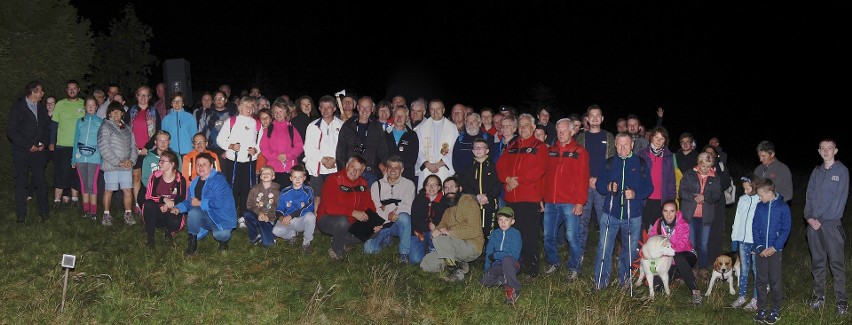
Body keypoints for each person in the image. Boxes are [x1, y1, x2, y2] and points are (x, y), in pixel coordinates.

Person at [592, 133, 652, 290]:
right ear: (615, 145)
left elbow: (649, 187)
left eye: (626, 144)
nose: (622, 147)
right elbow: (599, 185)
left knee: (629, 251)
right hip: (610, 213)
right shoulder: (610, 163)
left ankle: (624, 280)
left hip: (633, 215)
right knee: (604, 248)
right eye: (619, 144)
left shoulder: (640, 163)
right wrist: (607, 187)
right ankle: (600, 281)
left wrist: (635, 194)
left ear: (632, 145)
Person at [497, 114, 548, 277]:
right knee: (514, 234)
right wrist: (507, 179)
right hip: (511, 198)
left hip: (529, 198)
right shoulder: (511, 146)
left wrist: (518, 180)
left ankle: (532, 268)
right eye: (521, 126)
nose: (523, 128)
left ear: (533, 128)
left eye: (526, 125)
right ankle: (516, 264)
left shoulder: (539, 146)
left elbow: (539, 169)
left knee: (529, 235)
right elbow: (500, 165)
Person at [804, 139, 849, 315]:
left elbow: (839, 200)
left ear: (835, 150)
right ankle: (818, 297)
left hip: (831, 226)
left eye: (829, 148)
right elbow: (809, 195)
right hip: (813, 226)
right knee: (818, 263)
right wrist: (808, 217)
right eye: (823, 148)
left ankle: (841, 301)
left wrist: (821, 220)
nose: (826, 151)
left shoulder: (842, 171)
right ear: (819, 151)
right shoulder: (816, 171)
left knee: (836, 264)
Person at [541, 118, 589, 280]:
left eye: (564, 130)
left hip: (570, 202)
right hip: (551, 202)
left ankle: (575, 266)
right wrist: (542, 197)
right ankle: (553, 262)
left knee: (572, 237)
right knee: (548, 235)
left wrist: (580, 202)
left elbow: (583, 179)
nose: (561, 133)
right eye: (558, 131)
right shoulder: (550, 151)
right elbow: (545, 176)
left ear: (572, 132)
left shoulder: (580, 152)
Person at [419, 178, 485, 282]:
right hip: (455, 245)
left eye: (452, 187)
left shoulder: (469, 203)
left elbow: (474, 230)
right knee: (426, 264)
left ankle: (456, 272)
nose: (449, 190)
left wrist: (449, 233)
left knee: (439, 240)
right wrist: (435, 231)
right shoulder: (448, 210)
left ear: (460, 188)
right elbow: (442, 225)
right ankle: (458, 263)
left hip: (472, 246)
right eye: (446, 188)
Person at [575, 105, 615, 272]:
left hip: (601, 186)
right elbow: (576, 163)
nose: (595, 118)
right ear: (587, 119)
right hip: (584, 186)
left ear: (602, 118)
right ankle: (579, 254)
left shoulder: (609, 136)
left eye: (598, 115)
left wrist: (599, 180)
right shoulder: (580, 138)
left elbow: (612, 161)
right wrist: (586, 179)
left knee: (603, 221)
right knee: (582, 222)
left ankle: (605, 255)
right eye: (592, 116)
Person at [172, 152, 237, 256]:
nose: (200, 167)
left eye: (204, 164)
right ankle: (192, 243)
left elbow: (219, 203)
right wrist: (178, 208)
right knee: (193, 212)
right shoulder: (194, 182)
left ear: (211, 166)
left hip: (220, 216)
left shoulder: (219, 180)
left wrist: (200, 203)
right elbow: (191, 201)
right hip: (205, 215)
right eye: (198, 164)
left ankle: (223, 242)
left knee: (221, 235)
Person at [317, 155, 375, 261]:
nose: (355, 172)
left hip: (352, 221)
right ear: (347, 165)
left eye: (359, 170)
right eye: (353, 167)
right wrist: (353, 213)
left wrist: (374, 220)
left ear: (362, 172)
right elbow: (330, 208)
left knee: (374, 230)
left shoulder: (363, 182)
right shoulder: (334, 179)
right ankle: (336, 250)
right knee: (342, 222)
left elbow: (369, 204)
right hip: (327, 219)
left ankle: (340, 238)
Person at [363, 156, 421, 264]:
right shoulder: (377, 185)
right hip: (383, 223)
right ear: (386, 168)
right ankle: (385, 239)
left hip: (398, 223)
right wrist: (387, 216)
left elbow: (408, 207)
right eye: (390, 167)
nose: (393, 170)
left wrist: (389, 208)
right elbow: (375, 209)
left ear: (402, 170)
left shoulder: (409, 184)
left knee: (404, 217)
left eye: (396, 168)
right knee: (368, 249)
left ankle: (403, 253)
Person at [7, 81, 51, 223]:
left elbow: (46, 128)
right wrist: (28, 145)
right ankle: (21, 215)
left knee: (41, 182)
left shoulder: (41, 108)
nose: (43, 94)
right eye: (41, 91)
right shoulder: (18, 108)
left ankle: (44, 213)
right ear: (33, 92)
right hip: (22, 153)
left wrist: (44, 143)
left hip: (38, 153)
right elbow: (11, 131)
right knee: (21, 183)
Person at [751, 178, 791, 324]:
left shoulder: (782, 206)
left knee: (774, 281)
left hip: (775, 251)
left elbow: (785, 229)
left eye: (761, 195)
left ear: (770, 192)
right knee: (761, 280)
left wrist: (774, 248)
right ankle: (761, 308)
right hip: (761, 251)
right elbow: (755, 227)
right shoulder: (760, 206)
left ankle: (775, 309)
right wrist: (759, 247)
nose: (759, 198)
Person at [648, 200, 702, 305]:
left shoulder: (682, 223)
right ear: (662, 212)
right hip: (667, 260)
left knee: (679, 257)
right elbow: (651, 238)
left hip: (687, 255)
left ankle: (695, 291)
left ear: (676, 211)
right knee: (657, 287)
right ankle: (678, 275)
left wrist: (662, 250)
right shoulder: (659, 223)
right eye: (665, 211)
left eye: (672, 211)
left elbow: (681, 246)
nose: (668, 215)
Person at [216, 96, 262, 217]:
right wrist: (230, 146)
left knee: (247, 189)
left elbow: (260, 143)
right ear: (240, 107)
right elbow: (220, 139)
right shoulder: (231, 121)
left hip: (249, 161)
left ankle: (243, 215)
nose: (249, 109)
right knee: (233, 188)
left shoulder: (256, 123)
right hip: (233, 160)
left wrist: (255, 150)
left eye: (251, 107)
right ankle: (231, 213)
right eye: (246, 106)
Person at [678, 152, 722, 274]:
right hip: (690, 215)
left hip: (706, 217)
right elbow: (682, 191)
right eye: (704, 166)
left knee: (703, 243)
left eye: (709, 166)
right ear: (698, 163)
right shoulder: (689, 174)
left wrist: (705, 197)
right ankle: (692, 267)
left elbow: (717, 195)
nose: (706, 169)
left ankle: (703, 268)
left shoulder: (715, 177)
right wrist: (694, 197)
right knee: (691, 243)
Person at [98, 102, 138, 226]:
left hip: (126, 166)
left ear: (122, 113)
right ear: (109, 113)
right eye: (113, 111)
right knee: (109, 190)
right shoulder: (105, 127)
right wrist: (118, 162)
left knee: (127, 190)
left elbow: (133, 147)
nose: (116, 113)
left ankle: (128, 214)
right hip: (112, 166)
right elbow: (104, 148)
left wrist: (131, 161)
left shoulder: (127, 128)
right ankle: (106, 215)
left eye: (118, 111)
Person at [303, 95, 343, 212]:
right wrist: (324, 160)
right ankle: (316, 219)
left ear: (334, 109)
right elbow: (309, 148)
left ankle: (333, 218)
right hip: (318, 167)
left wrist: (335, 159)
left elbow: (344, 147)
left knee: (334, 195)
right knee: (317, 196)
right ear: (319, 109)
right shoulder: (313, 126)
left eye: (329, 107)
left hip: (335, 167)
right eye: (323, 107)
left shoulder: (342, 125)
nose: (326, 110)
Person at [335, 96, 388, 186]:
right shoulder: (347, 126)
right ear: (358, 108)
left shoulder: (377, 127)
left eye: (367, 107)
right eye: (362, 107)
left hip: (370, 172)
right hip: (351, 173)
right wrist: (343, 172)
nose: (364, 110)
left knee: (369, 199)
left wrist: (383, 166)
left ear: (372, 109)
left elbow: (383, 150)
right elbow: (340, 151)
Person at [142, 150, 187, 248]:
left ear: (172, 164)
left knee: (175, 221)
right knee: (148, 205)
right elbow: (149, 196)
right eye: (160, 161)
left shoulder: (180, 179)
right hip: (157, 211)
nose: (159, 163)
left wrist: (169, 205)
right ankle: (150, 237)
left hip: (171, 210)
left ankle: (169, 233)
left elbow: (182, 198)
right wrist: (163, 200)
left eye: (163, 161)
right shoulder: (155, 176)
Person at [458, 138, 501, 239]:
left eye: (481, 147)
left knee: (489, 230)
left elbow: (498, 185)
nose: (478, 149)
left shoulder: (493, 166)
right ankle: (476, 252)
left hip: (489, 204)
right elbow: (464, 184)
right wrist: (476, 196)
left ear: (487, 150)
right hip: (474, 204)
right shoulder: (469, 167)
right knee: (475, 229)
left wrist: (488, 197)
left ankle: (488, 252)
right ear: (472, 151)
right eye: (476, 147)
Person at [636, 126, 676, 231]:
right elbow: (636, 177)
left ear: (665, 141)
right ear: (651, 137)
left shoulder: (668, 156)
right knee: (642, 228)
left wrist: (671, 199)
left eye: (662, 138)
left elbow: (671, 180)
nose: (658, 140)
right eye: (656, 137)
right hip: (645, 198)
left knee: (658, 229)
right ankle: (641, 248)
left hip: (661, 199)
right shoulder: (641, 154)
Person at [128, 85, 161, 215]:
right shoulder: (131, 112)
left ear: (149, 97)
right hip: (134, 150)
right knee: (136, 177)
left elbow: (157, 131)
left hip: (149, 150)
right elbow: (125, 130)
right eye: (140, 95)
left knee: (149, 177)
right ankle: (137, 204)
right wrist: (135, 147)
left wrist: (146, 147)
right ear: (136, 96)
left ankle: (151, 202)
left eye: (145, 95)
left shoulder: (154, 112)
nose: (143, 97)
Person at [52, 80, 85, 206]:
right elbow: (54, 125)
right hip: (62, 145)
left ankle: (75, 200)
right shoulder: (60, 104)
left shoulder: (84, 104)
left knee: (76, 174)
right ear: (66, 90)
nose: (72, 90)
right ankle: (57, 201)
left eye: (74, 88)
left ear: (78, 89)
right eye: (69, 88)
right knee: (60, 173)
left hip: (79, 146)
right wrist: (51, 142)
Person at [730, 174, 760, 311]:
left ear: (755, 187)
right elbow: (737, 220)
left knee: (756, 269)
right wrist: (734, 238)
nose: (745, 191)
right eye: (744, 189)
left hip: (755, 241)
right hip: (743, 240)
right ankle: (742, 296)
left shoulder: (760, 200)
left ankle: (756, 299)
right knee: (743, 270)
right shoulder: (742, 199)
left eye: (748, 189)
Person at [480, 207, 522, 305]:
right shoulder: (494, 234)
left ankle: (514, 289)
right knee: (484, 280)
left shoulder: (515, 234)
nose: (503, 223)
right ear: (497, 221)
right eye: (501, 219)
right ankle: (505, 280)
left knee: (506, 260)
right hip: (498, 265)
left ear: (512, 221)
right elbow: (489, 253)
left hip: (512, 264)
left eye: (506, 220)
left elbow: (515, 255)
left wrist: (496, 255)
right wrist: (487, 268)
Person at [272, 165, 316, 253]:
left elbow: (309, 207)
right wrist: (281, 218)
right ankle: (292, 235)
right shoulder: (285, 191)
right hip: (289, 221)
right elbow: (279, 209)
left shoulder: (308, 190)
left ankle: (306, 242)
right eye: (295, 177)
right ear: (291, 178)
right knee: (275, 231)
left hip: (301, 220)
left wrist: (291, 215)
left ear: (304, 178)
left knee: (311, 216)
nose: (298, 179)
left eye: (300, 177)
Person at [415, 99, 458, 189]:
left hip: (443, 168)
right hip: (426, 168)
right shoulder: (420, 128)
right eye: (432, 109)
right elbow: (417, 149)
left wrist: (440, 163)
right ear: (428, 110)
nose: (435, 112)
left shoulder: (452, 128)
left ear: (443, 110)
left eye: (438, 109)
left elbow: (454, 149)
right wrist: (427, 164)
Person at [72, 96, 104, 219]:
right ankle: (86, 210)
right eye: (88, 105)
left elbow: (102, 141)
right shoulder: (80, 121)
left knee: (92, 184)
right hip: (80, 158)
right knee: (84, 184)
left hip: (94, 158)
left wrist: (101, 158)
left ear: (96, 107)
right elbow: (75, 140)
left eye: (93, 105)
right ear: (85, 107)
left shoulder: (100, 122)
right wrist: (73, 158)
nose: (90, 107)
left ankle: (94, 212)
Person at [260, 101, 304, 188]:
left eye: (280, 111)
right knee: (273, 197)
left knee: (288, 196)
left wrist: (288, 156)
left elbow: (299, 146)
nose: (278, 114)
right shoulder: (269, 129)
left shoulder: (291, 129)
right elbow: (264, 147)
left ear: (286, 113)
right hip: (273, 169)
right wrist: (276, 156)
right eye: (275, 112)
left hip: (289, 168)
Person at [242, 165, 281, 247]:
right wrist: (259, 213)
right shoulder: (254, 189)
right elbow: (249, 204)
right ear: (260, 176)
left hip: (269, 219)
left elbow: (277, 207)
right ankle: (254, 236)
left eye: (268, 173)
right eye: (263, 173)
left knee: (268, 244)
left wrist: (268, 216)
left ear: (273, 176)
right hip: (257, 215)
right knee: (246, 213)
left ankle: (269, 234)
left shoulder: (277, 192)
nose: (266, 174)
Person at [411, 174, 448, 252]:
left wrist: (435, 226)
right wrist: (428, 226)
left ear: (439, 187)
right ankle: (424, 244)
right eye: (428, 184)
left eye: (434, 185)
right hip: (418, 232)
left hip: (435, 231)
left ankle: (433, 248)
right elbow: (415, 219)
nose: (431, 187)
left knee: (435, 233)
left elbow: (444, 218)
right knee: (415, 259)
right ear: (425, 187)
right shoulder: (419, 198)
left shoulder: (444, 201)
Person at [385, 106, 419, 182]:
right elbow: (381, 155)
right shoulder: (385, 134)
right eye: (397, 115)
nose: (399, 118)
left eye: (402, 116)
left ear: (407, 118)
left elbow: (413, 158)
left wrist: (399, 170)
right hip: (387, 175)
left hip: (406, 177)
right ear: (393, 117)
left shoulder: (412, 135)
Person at [160, 92, 197, 156]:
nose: (177, 103)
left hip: (188, 152)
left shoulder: (190, 117)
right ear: (171, 103)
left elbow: (195, 135)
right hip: (172, 153)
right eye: (174, 101)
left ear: (183, 103)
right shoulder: (166, 119)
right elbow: (163, 137)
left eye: (179, 101)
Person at [200, 91, 236, 157]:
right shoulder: (208, 114)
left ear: (226, 100)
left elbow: (235, 134)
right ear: (213, 101)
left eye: (221, 98)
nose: (219, 100)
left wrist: (229, 151)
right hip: (210, 149)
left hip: (225, 151)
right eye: (216, 98)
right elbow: (204, 131)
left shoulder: (232, 115)